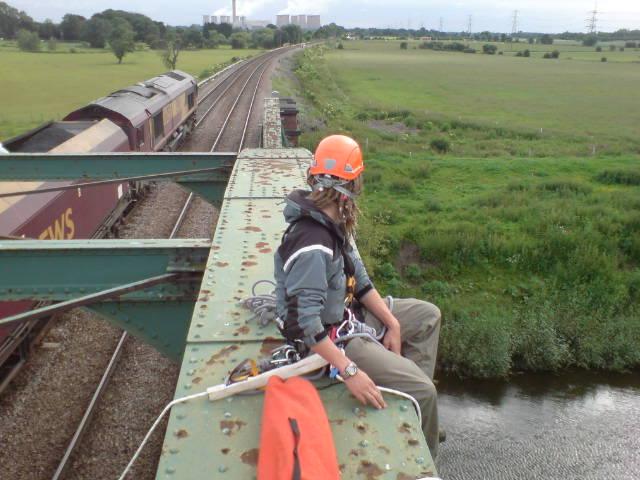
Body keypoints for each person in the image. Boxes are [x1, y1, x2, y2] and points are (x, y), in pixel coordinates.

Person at [274, 135, 442, 458]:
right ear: (349, 188)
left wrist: (392, 323)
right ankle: (421, 427)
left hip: (348, 316)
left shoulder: (334, 223)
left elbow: (360, 282)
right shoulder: (313, 243)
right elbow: (307, 325)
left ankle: (404, 387)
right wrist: (349, 371)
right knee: (425, 391)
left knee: (427, 316)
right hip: (333, 341)